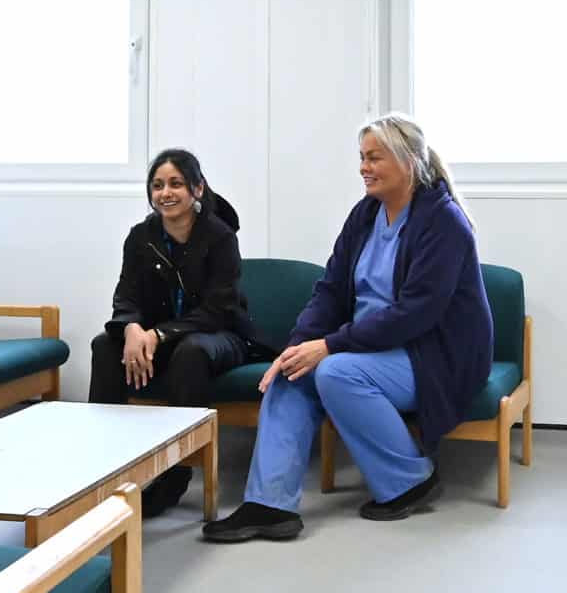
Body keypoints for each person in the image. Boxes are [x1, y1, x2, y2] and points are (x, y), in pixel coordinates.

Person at [203, 114, 492, 542]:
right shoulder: (365, 214)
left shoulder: (443, 222)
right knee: (294, 371)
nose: (363, 167)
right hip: (373, 348)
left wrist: (331, 345)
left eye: (374, 157)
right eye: (362, 158)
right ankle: (269, 504)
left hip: (433, 355)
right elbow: (331, 289)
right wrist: (299, 346)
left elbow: (416, 314)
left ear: (408, 163)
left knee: (336, 371)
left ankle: (409, 479)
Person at [90, 148, 259, 516]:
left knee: (191, 352)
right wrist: (133, 327)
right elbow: (126, 294)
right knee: (105, 345)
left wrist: (159, 335)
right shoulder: (140, 236)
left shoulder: (219, 236)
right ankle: (103, 467)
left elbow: (218, 309)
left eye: (176, 184)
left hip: (220, 335)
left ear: (197, 189)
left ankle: (175, 474)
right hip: (161, 334)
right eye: (157, 185)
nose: (165, 193)